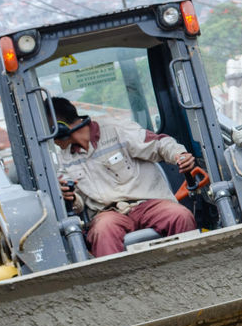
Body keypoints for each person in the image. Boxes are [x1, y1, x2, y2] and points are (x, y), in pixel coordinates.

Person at [51, 96, 198, 257]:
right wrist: (70, 198)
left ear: (60, 127)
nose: (50, 139)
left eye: (49, 131)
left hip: (147, 203)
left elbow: (159, 144)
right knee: (102, 231)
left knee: (180, 216)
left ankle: (189, 275)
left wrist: (179, 154)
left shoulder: (117, 130)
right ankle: (117, 283)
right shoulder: (63, 160)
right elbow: (77, 204)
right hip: (108, 213)